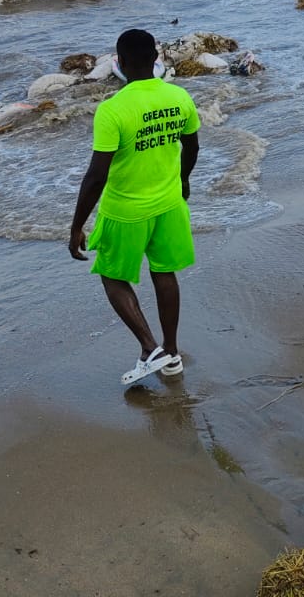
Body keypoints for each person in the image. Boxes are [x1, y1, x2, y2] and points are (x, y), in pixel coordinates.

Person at [67, 29, 201, 385]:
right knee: (164, 272)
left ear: (121, 63)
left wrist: (75, 225)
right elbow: (192, 146)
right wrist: (183, 180)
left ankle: (149, 348)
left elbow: (96, 175)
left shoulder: (112, 110)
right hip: (169, 203)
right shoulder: (179, 96)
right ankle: (171, 353)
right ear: (156, 59)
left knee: (112, 275)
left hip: (126, 209)